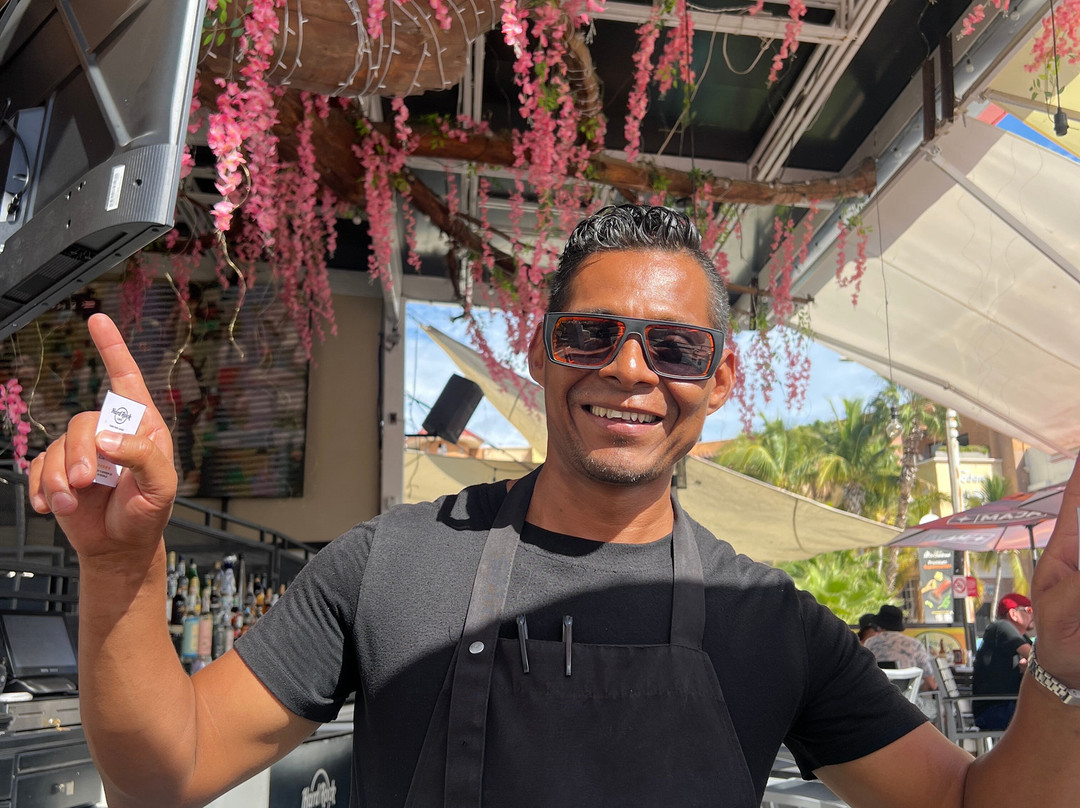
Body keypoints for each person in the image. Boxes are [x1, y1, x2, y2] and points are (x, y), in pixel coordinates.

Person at [27, 204, 1080, 808]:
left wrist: (1066, 667)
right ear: (539, 351)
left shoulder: (775, 621)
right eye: (591, 334)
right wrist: (122, 569)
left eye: (676, 347)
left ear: (719, 380)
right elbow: (167, 772)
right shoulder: (387, 563)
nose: (630, 369)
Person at [972, 592, 1035, 730]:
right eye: (1029, 610)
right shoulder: (1002, 626)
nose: (1034, 615)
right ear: (1013, 614)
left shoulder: (1022, 637)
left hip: (1006, 706)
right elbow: (1035, 657)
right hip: (995, 710)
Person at [863, 604, 938, 692]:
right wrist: (915, 691)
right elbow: (931, 684)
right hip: (907, 698)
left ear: (879, 625)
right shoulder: (915, 645)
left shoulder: (870, 643)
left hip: (878, 697)